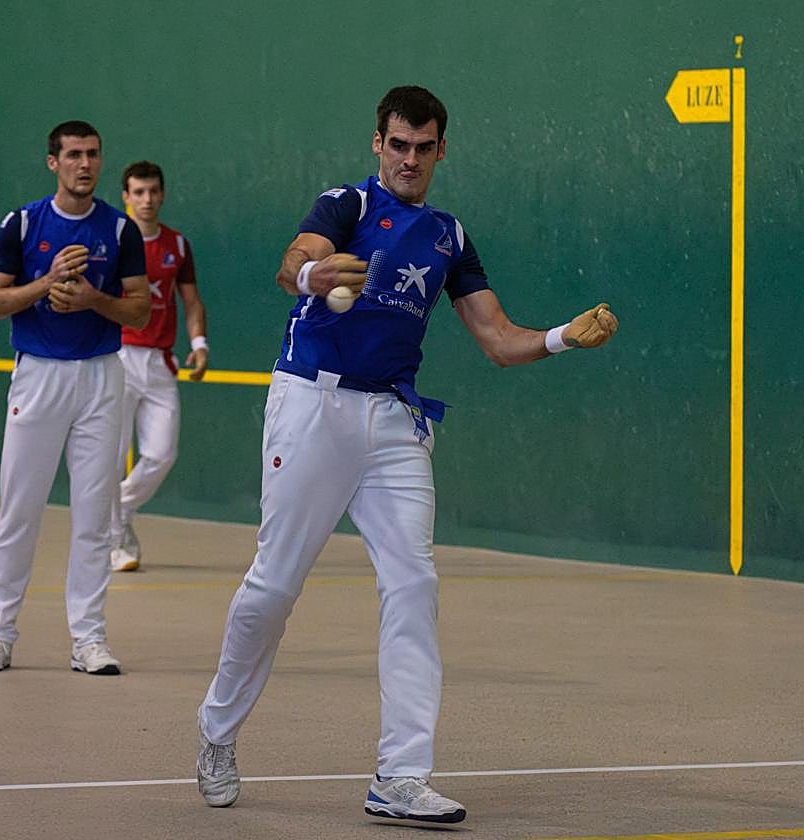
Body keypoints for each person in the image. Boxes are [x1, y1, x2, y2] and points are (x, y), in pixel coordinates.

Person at [194, 86, 618, 821]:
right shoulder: (346, 206)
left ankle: (400, 776)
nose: (410, 159)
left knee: (414, 584)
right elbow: (294, 261)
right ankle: (217, 734)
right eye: (398, 145)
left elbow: (496, 340)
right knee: (273, 587)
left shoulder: (449, 235)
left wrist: (559, 338)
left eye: (424, 148)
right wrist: (313, 276)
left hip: (394, 419)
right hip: (313, 406)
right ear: (377, 143)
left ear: (441, 150)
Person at [0, 120, 151, 676]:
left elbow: (139, 308)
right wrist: (44, 284)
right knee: (19, 509)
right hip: (38, 377)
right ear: (53, 162)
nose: (85, 165)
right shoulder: (22, 224)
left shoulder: (120, 232)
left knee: (95, 516)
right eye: (73, 155)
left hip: (101, 378)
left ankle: (89, 639)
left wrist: (95, 298)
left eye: (93, 155)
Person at [109, 161, 210, 572]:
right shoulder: (112, 241)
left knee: (161, 453)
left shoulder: (178, 246)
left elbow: (190, 300)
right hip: (115, 358)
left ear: (162, 194)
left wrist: (199, 344)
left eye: (153, 192)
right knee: (111, 457)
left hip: (160, 362)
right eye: (138, 192)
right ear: (126, 197)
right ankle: (117, 540)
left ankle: (115, 512)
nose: (146, 200)